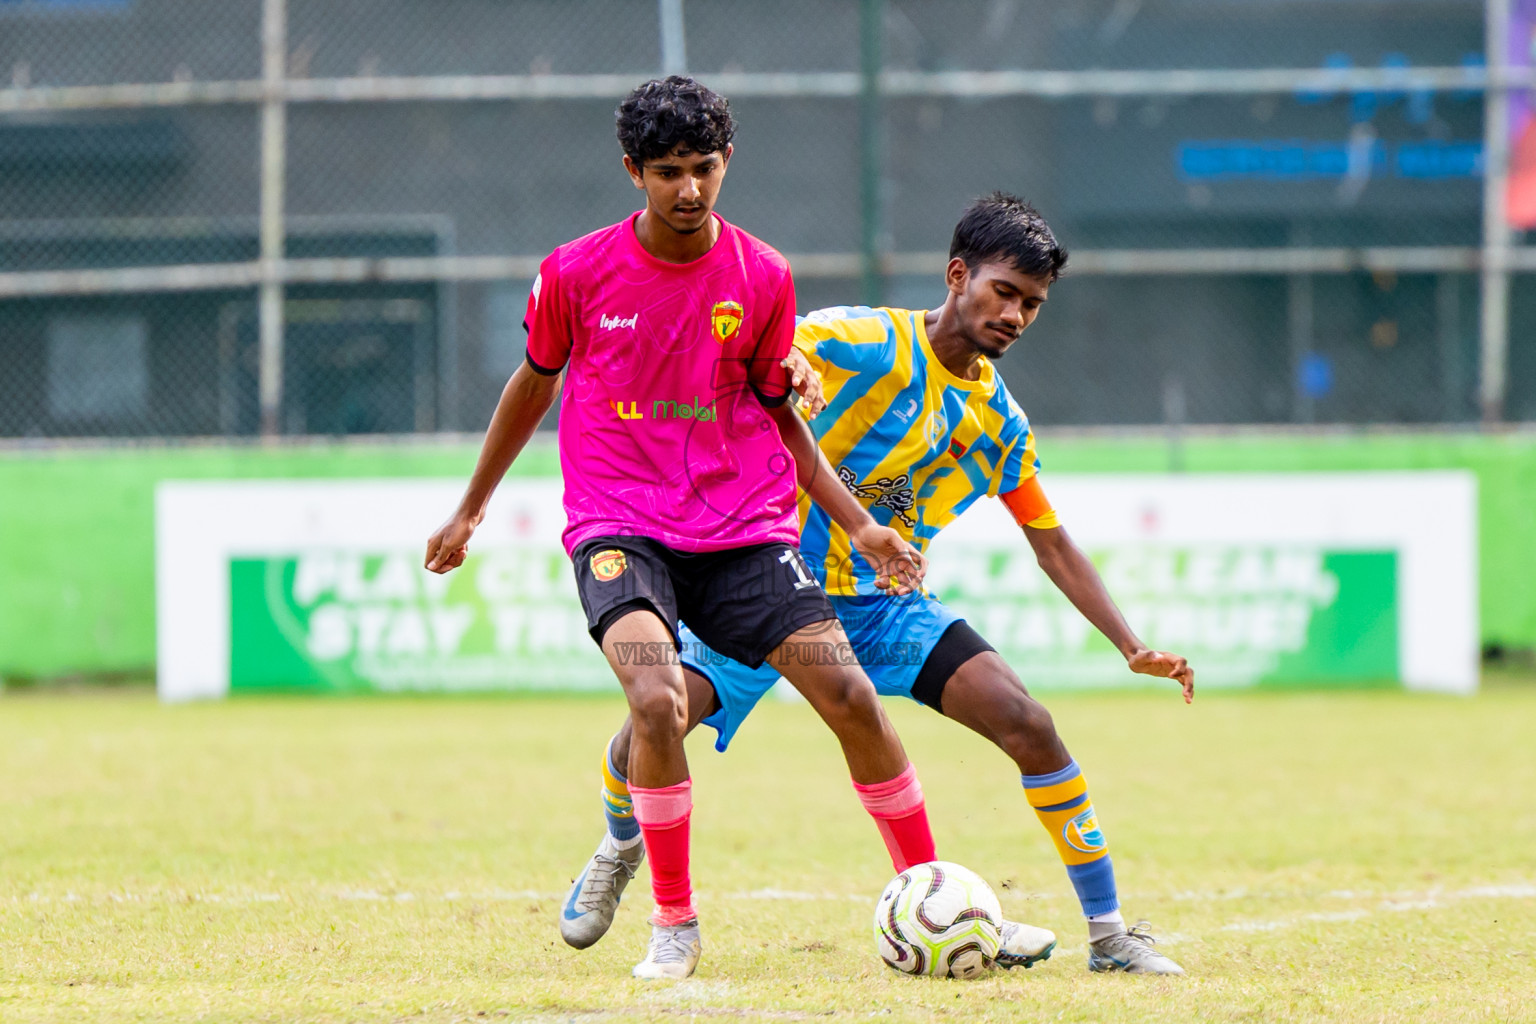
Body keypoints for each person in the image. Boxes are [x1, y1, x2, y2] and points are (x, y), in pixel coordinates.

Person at [565, 192, 1196, 975]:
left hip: (881, 610)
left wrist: (1130, 645)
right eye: (1004, 292)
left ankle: (1107, 936)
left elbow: (1052, 543)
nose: (1017, 316)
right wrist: (789, 364)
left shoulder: (999, 423)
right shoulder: (861, 339)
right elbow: (761, 350)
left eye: (1032, 304)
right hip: (761, 585)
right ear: (958, 275)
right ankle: (621, 842)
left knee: (1027, 722)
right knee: (647, 730)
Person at [426, 75, 960, 982]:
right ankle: (674, 925)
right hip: (619, 524)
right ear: (632, 170)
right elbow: (533, 384)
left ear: (727, 162)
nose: (688, 190)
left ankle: (935, 900)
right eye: (667, 171)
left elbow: (782, 413)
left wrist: (861, 525)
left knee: (853, 698)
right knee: (654, 698)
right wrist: (471, 504)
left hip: (744, 530)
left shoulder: (763, 276)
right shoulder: (576, 272)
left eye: (704, 169)